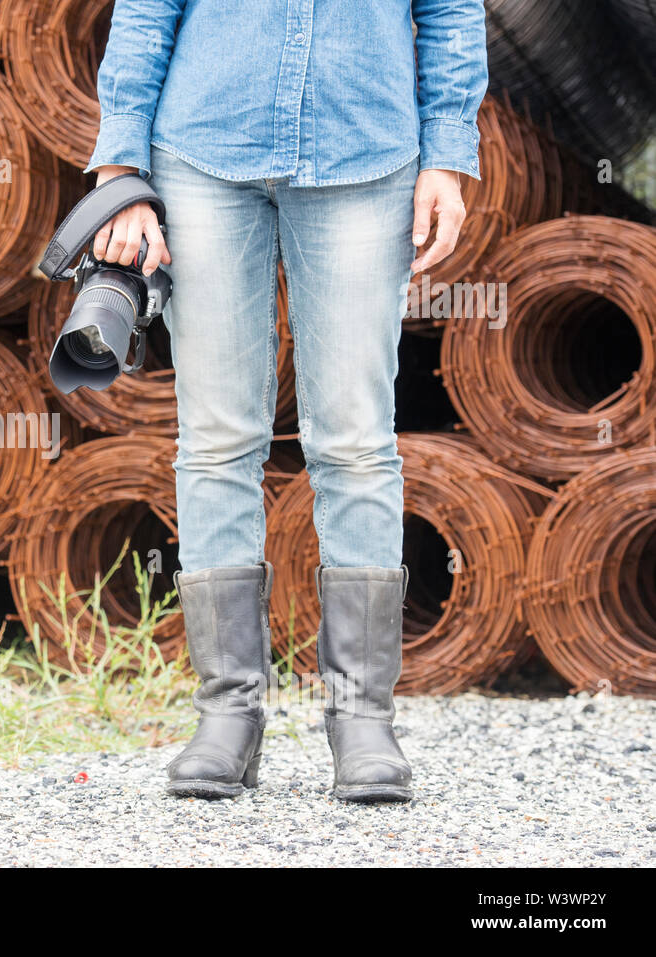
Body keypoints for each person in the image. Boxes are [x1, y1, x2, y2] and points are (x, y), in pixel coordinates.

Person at [85, 1, 488, 802]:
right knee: (218, 435)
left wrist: (448, 151)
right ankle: (227, 716)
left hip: (364, 152)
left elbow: (451, 8)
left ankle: (362, 718)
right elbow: (144, 8)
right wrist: (121, 165)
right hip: (203, 146)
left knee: (354, 439)